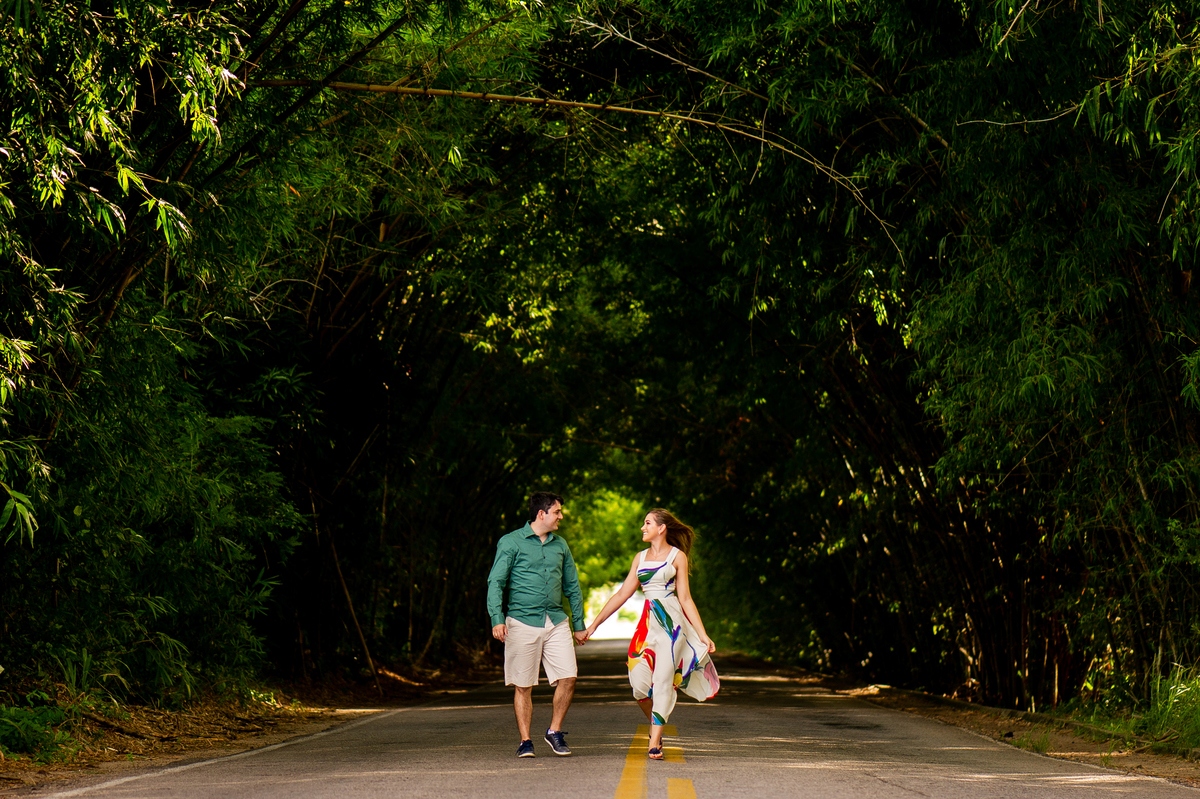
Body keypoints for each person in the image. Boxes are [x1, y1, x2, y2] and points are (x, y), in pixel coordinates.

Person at [581, 508, 719, 759]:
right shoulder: (640, 558)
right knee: (639, 686)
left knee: (663, 682)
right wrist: (594, 625)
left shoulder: (677, 556)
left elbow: (686, 599)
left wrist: (702, 634)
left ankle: (655, 741)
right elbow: (622, 594)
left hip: (671, 626)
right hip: (646, 626)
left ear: (661, 528)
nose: (643, 528)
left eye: (647, 523)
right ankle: (656, 722)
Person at [487, 492, 589, 758]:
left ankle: (554, 731)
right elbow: (496, 582)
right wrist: (497, 618)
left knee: (569, 676)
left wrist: (579, 624)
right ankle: (525, 740)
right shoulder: (511, 542)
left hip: (556, 620)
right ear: (541, 514)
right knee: (523, 685)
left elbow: (572, 586)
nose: (561, 516)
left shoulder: (560, 545)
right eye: (557, 512)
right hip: (521, 621)